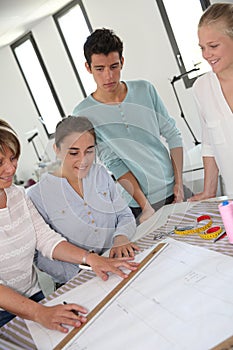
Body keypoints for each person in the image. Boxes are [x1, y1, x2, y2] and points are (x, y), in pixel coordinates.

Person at [0, 119, 138, 330]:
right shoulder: (39, 193)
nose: (10, 168)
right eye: (0, 162)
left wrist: (91, 259)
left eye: (13, 158)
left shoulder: (17, 195)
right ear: (57, 150)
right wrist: (39, 311)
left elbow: (45, 239)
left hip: (33, 295)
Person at [73, 28, 192, 223]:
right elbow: (113, 162)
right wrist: (145, 206)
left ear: (122, 62)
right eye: (100, 69)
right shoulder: (83, 113)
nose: (108, 76)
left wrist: (179, 184)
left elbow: (172, 134)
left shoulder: (145, 89)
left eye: (114, 66)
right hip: (138, 204)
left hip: (174, 189)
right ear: (88, 67)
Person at [28, 116, 139, 284]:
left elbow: (124, 214)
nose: (83, 160)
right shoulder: (37, 195)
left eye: (89, 151)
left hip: (117, 262)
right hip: (78, 278)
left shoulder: (101, 174)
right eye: (73, 153)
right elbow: (40, 255)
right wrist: (82, 272)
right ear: (57, 150)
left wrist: (121, 239)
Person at [189, 3, 233, 201]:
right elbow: (209, 143)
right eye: (202, 48)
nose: (207, 54)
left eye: (213, 46)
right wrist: (208, 192)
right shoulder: (202, 88)